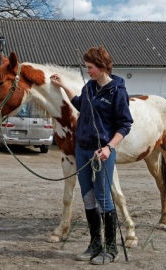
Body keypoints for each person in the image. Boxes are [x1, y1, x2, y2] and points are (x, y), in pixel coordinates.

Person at [50, 46, 133, 265]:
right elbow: (79, 104)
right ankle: (95, 244)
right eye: (86, 67)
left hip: (101, 153)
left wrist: (109, 148)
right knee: (88, 197)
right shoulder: (90, 87)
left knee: (103, 198)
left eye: (90, 67)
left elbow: (125, 124)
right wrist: (63, 86)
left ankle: (111, 248)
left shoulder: (117, 91)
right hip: (82, 149)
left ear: (102, 66)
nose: (88, 71)